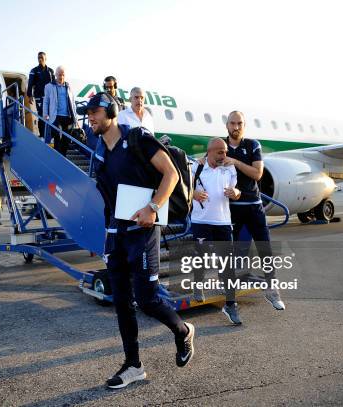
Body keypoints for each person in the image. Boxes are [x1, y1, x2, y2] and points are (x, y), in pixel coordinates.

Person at [79, 92, 195, 389]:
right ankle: (133, 365)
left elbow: (170, 173)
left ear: (110, 111)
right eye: (88, 112)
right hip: (115, 236)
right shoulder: (99, 151)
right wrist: (106, 234)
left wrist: (153, 207)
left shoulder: (137, 138)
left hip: (143, 233)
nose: (89, 117)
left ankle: (182, 331)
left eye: (94, 111)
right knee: (121, 303)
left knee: (147, 299)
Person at [224, 111, 285, 311]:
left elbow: (257, 174)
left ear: (244, 125)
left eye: (239, 123)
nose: (236, 127)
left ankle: (272, 291)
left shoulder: (252, 145)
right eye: (232, 123)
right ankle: (230, 300)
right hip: (230, 208)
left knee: (264, 247)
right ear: (227, 125)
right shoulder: (220, 145)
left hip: (253, 205)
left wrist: (236, 162)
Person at [190, 138, 242, 324]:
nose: (224, 156)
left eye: (226, 151)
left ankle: (231, 304)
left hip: (223, 221)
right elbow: (183, 189)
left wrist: (236, 193)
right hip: (201, 221)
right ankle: (198, 285)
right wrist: (194, 194)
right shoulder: (196, 167)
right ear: (209, 151)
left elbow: (237, 191)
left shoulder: (229, 167)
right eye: (220, 152)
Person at [43, 66, 79, 156]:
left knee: (66, 140)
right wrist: (45, 114)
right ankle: (57, 158)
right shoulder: (49, 86)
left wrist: (76, 118)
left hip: (68, 117)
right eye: (59, 75)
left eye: (63, 75)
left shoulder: (68, 87)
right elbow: (46, 101)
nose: (61, 77)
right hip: (56, 116)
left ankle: (63, 158)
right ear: (55, 75)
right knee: (58, 136)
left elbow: (73, 103)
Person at [27, 52, 55, 138]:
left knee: (50, 115)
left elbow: (54, 84)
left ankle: (50, 135)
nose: (40, 59)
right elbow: (30, 84)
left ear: (45, 59)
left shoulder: (50, 71)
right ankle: (42, 135)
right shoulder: (34, 70)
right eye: (38, 58)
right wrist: (30, 95)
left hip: (49, 97)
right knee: (42, 115)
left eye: (42, 58)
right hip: (39, 96)